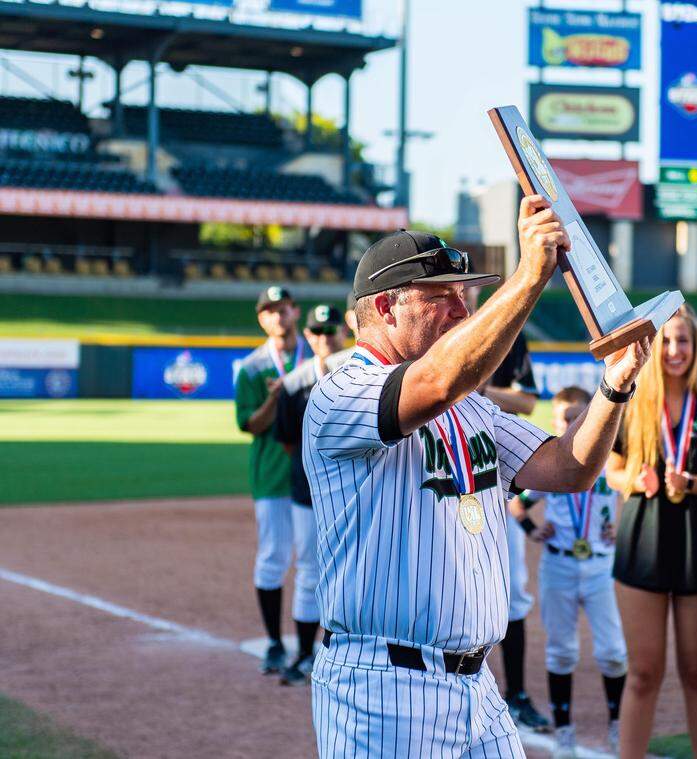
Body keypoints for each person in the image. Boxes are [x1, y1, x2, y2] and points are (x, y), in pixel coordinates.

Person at [302, 210, 652, 757]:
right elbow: (437, 381)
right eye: (443, 294)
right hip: (382, 688)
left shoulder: (470, 409)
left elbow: (569, 468)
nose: (462, 308)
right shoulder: (338, 394)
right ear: (388, 305)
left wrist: (613, 386)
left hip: (477, 688)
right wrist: (530, 275)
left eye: (463, 293)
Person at [606, 304, 697, 759]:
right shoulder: (635, 398)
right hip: (643, 542)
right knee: (643, 673)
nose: (676, 350)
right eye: (668, 341)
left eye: (685, 341)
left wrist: (693, 484)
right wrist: (633, 480)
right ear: (654, 345)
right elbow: (612, 469)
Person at [508, 385, 626, 758]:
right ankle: (564, 734)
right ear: (557, 421)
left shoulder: (607, 464)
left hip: (599, 566)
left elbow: (630, 497)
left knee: (613, 653)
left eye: (580, 416)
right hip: (558, 564)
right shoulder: (551, 469)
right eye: (566, 418)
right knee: (561, 652)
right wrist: (532, 530)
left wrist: (618, 529)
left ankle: (618, 727)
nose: (573, 423)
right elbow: (517, 505)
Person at [463, 287, 550, 732]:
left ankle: (515, 693)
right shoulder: (445, 334)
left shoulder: (510, 334)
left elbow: (529, 401)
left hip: (498, 471)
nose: (464, 296)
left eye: (470, 289)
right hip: (449, 475)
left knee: (513, 590)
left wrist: (477, 386)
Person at [274, 302, 353, 685]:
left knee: (351, 570)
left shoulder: (361, 376)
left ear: (344, 332)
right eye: (317, 332)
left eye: (331, 330)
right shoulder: (293, 384)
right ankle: (306, 653)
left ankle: (343, 652)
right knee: (308, 571)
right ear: (308, 335)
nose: (324, 338)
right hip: (307, 491)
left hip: (352, 493)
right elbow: (288, 441)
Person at [234, 285, 307, 675]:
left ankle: (315, 646)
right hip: (272, 478)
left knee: (318, 563)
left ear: (296, 312)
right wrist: (279, 397)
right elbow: (249, 424)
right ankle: (276, 644)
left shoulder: (314, 357)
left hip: (314, 479)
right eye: (270, 311)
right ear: (261, 319)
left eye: (284, 309)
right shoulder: (251, 368)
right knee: (273, 558)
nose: (278, 316)